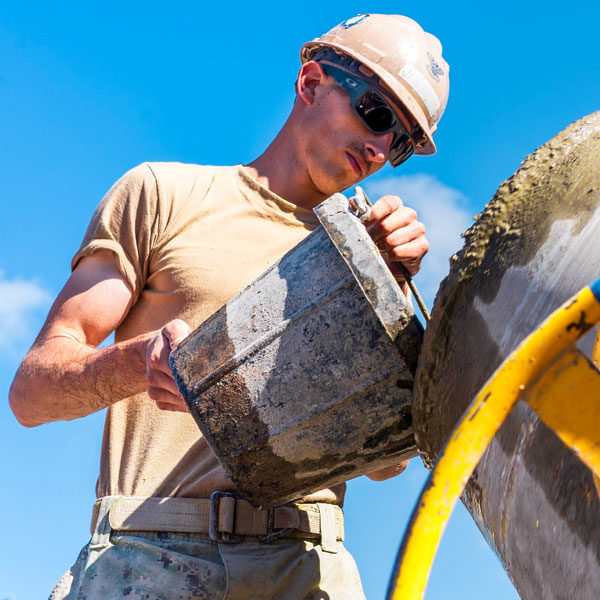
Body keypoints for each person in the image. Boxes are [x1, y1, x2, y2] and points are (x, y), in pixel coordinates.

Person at [9, 13, 449, 600]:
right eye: (376, 112)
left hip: (310, 569)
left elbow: (382, 462)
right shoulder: (162, 196)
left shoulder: (369, 254)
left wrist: (378, 301)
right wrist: (135, 364)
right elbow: (32, 393)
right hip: (154, 553)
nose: (379, 146)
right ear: (312, 82)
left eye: (399, 141)